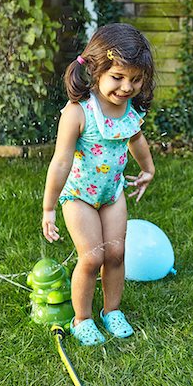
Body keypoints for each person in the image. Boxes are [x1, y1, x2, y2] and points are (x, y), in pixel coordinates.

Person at [42, 23, 155, 346]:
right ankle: (83, 318)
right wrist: (49, 207)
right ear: (95, 69)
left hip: (112, 193)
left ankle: (112, 310)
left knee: (116, 253)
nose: (126, 87)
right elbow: (61, 161)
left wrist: (148, 169)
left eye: (135, 79)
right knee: (92, 257)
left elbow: (136, 139)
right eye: (118, 78)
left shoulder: (129, 110)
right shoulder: (78, 112)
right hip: (78, 195)